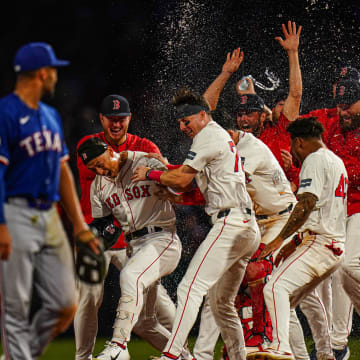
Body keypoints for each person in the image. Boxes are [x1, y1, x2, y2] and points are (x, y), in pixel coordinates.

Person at [132, 87, 261, 360]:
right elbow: (195, 186)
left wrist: (152, 173)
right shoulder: (218, 136)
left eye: (186, 120)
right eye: (179, 122)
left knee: (188, 287)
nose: (182, 126)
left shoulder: (208, 136)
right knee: (222, 303)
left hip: (231, 224)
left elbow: (181, 180)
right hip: (247, 226)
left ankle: (172, 354)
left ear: (203, 115)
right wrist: (169, 176)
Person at [0, 42, 101, 360]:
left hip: (49, 216)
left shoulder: (51, 115)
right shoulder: (5, 113)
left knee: (66, 304)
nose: (56, 75)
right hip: (15, 212)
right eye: (54, 69)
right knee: (15, 307)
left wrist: (81, 227)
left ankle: (19, 355)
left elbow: (63, 173)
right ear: (42, 73)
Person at [75, 95, 190, 360]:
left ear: (129, 119)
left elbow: (176, 182)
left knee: (143, 289)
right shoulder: (95, 163)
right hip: (115, 239)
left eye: (121, 118)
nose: (116, 124)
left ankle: (128, 347)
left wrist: (156, 175)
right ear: (101, 120)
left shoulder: (144, 153)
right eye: (111, 119)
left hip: (152, 238)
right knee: (101, 303)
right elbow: (104, 210)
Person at [247, 117, 348, 360]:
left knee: (275, 286)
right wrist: (291, 245)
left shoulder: (313, 160)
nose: (293, 151)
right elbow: (319, 210)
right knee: (297, 300)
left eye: (293, 145)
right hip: (333, 245)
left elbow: (306, 204)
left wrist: (278, 239)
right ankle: (325, 354)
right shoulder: (336, 160)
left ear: (299, 142)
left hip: (319, 243)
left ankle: (280, 348)